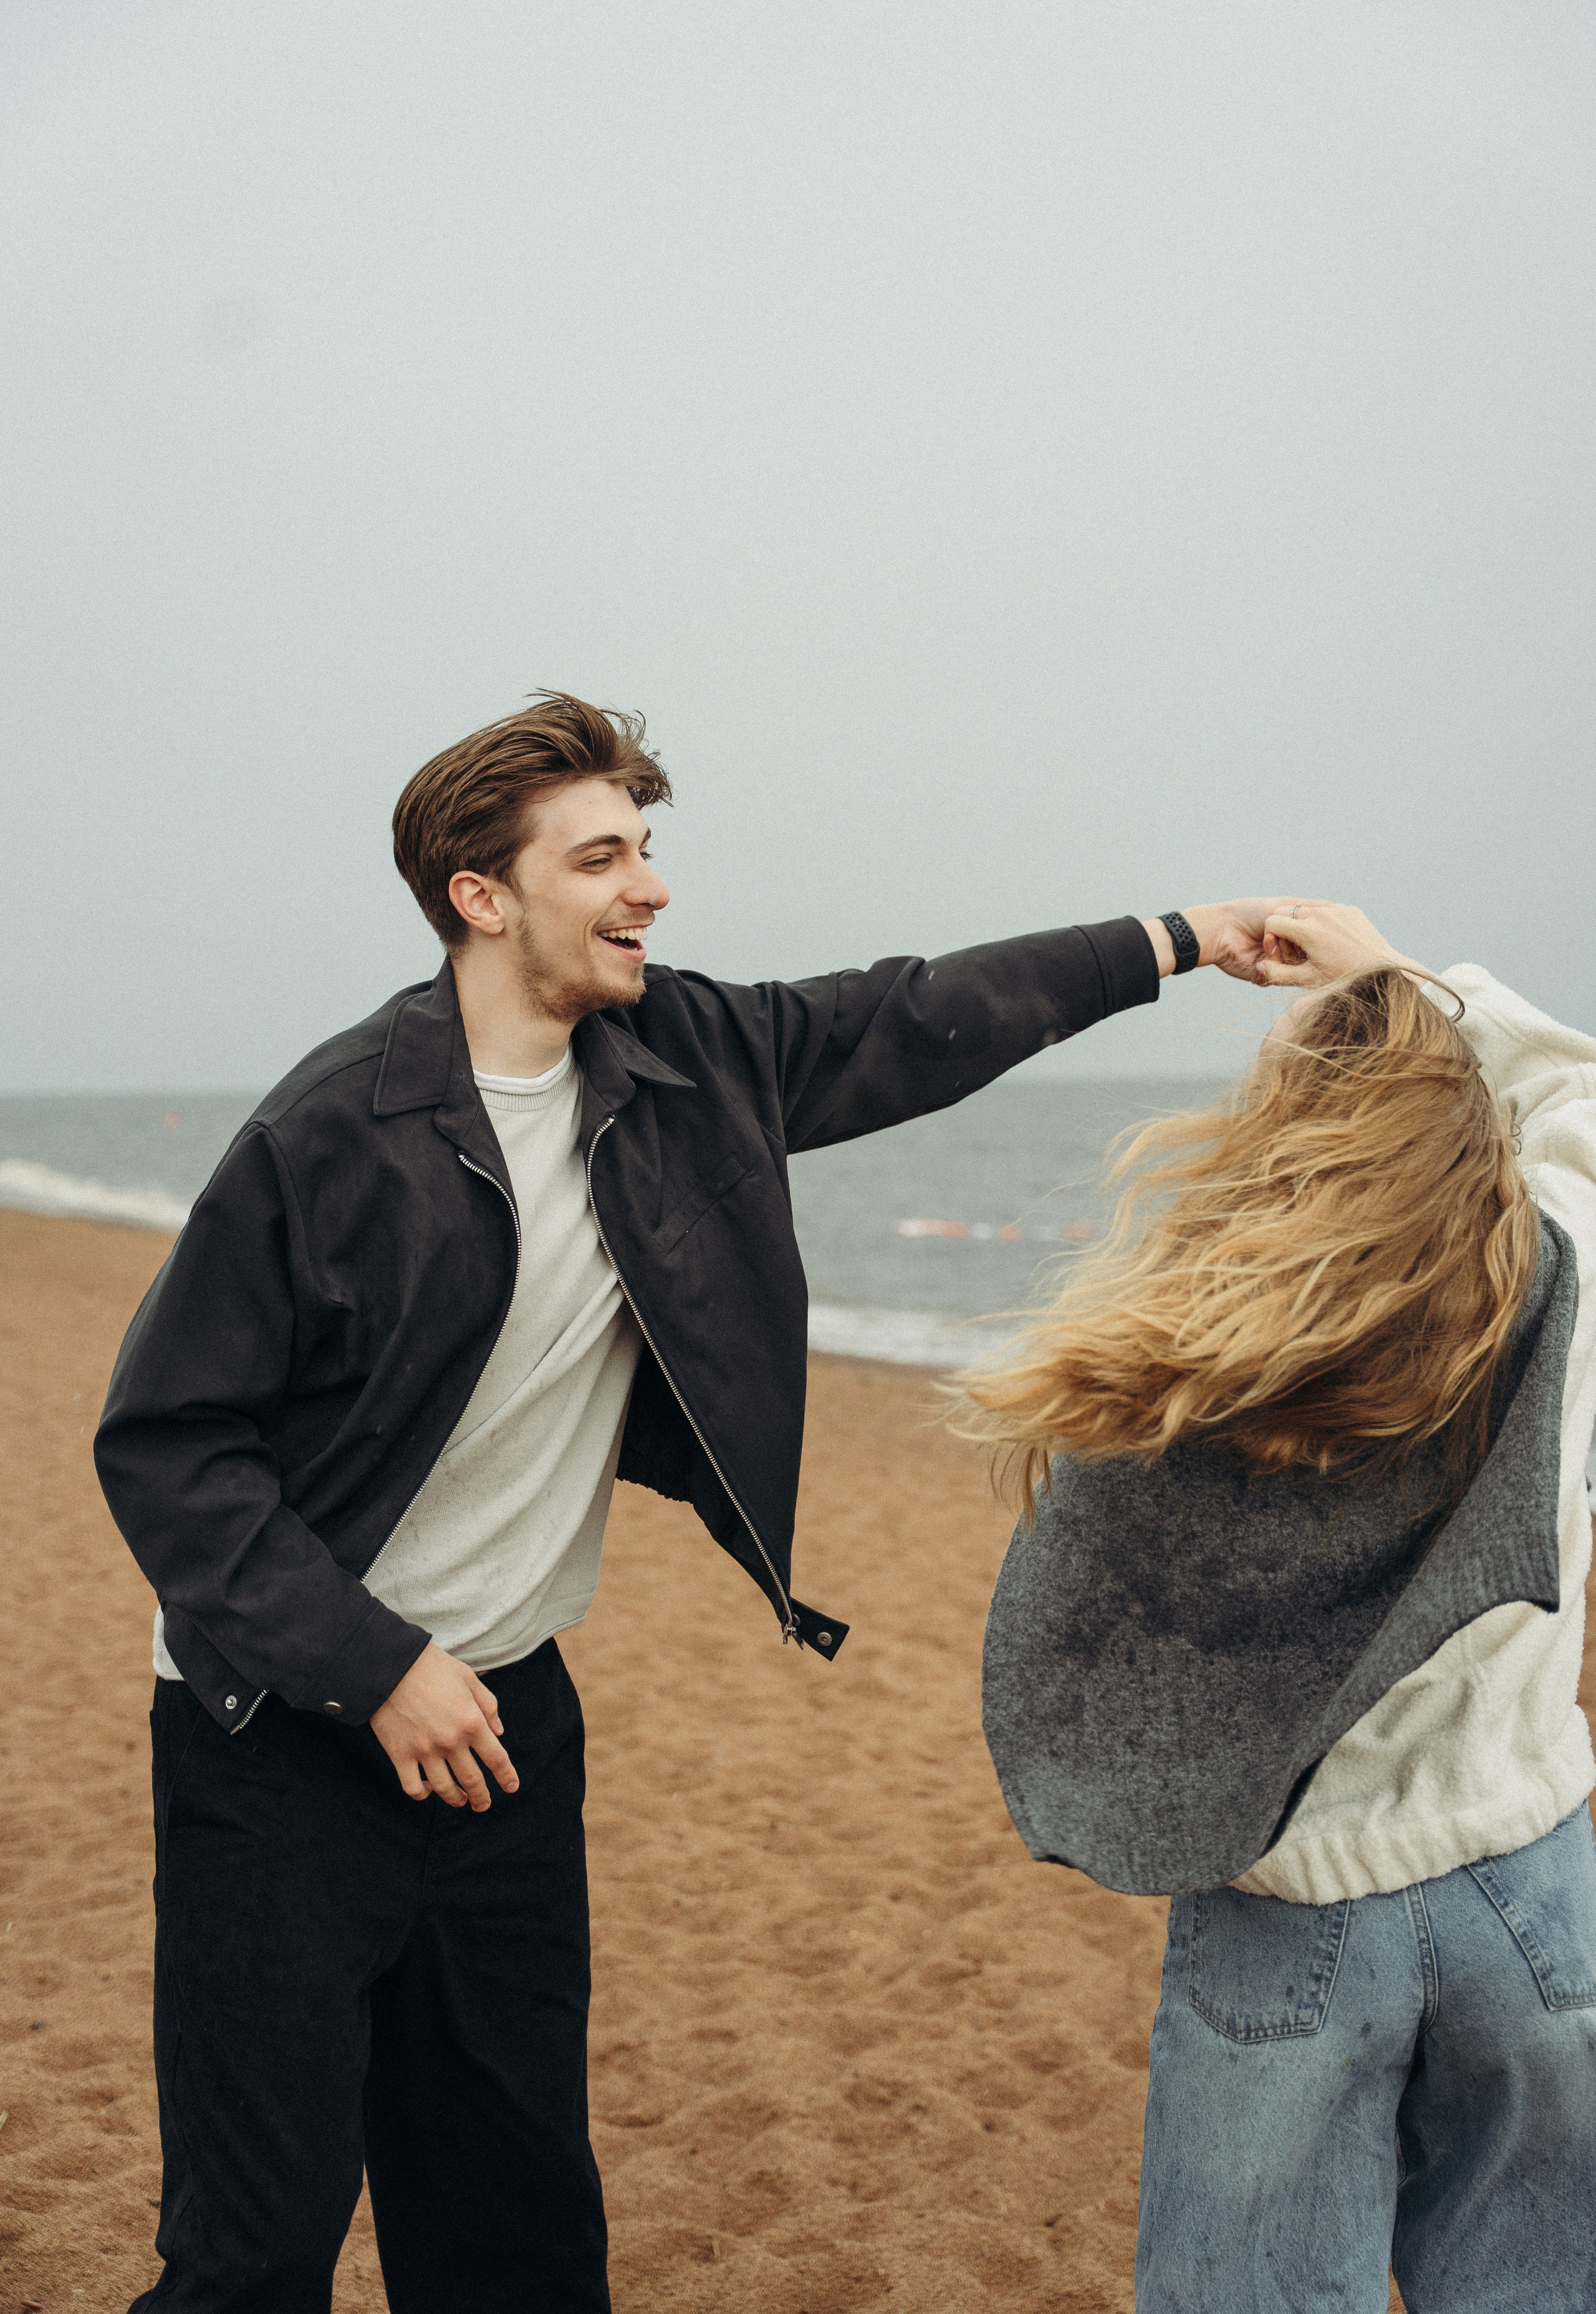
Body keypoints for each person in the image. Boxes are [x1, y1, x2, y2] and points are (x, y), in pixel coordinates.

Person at [95, 688, 1286, 2313]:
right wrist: (374, 1667)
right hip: (282, 1741)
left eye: (644, 849)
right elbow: (169, 1445)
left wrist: (1186, 938)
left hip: (508, 1728)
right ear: (482, 896)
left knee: (515, 2225)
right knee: (255, 2248)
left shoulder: (685, 1060)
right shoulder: (333, 1135)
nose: (649, 887)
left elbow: (921, 1015)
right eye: (600, 859)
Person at [963, 899, 1596, 2313]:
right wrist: (1405, 981)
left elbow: (1097, 1648)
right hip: (1534, 1882)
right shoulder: (1563, 1283)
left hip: (1292, 1905)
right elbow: (1578, 1092)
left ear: (1282, 1143)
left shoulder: (1202, 1365)